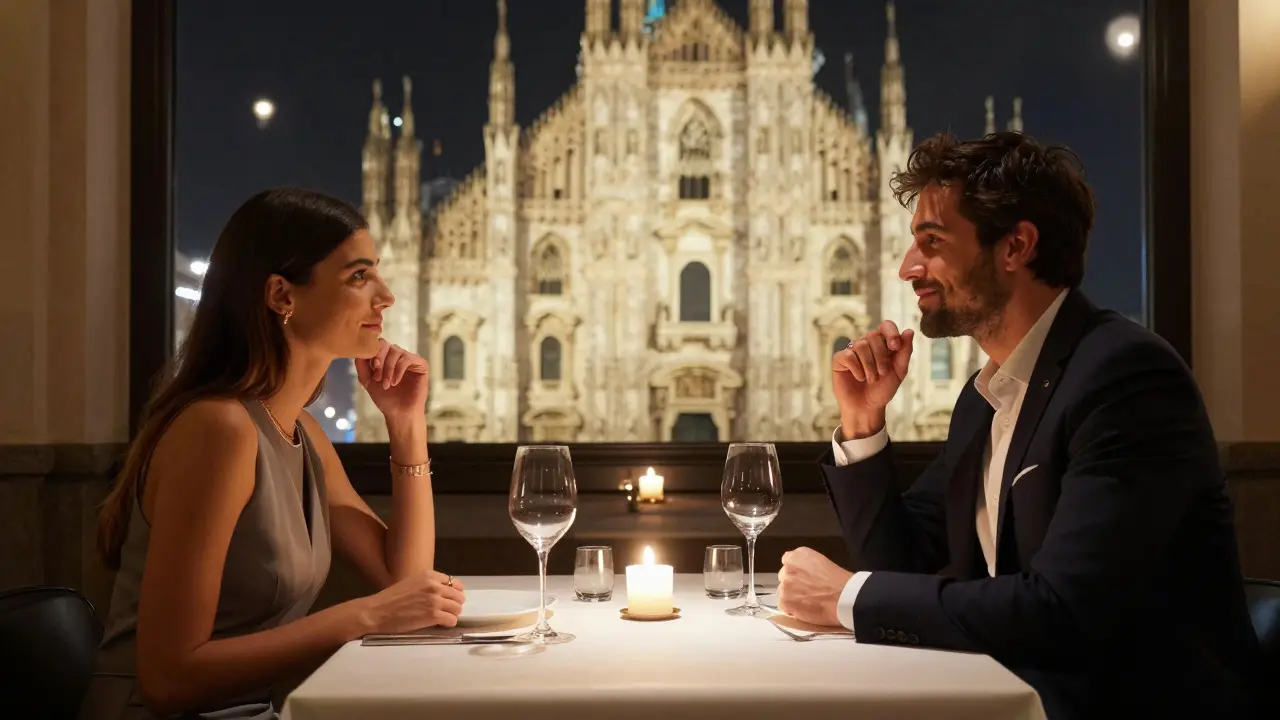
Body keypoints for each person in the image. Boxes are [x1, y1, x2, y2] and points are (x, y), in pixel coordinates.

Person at [775, 131, 1262, 718]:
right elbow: (901, 562)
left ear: (1016, 247)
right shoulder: (985, 399)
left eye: (932, 242)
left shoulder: (1124, 377)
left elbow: (1062, 612)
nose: (908, 268)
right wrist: (862, 424)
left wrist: (847, 596)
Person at [79, 188, 465, 719]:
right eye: (359, 277)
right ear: (282, 295)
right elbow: (167, 679)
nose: (386, 296)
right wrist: (365, 618)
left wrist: (406, 423)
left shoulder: (301, 431)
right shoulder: (220, 430)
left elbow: (406, 581)